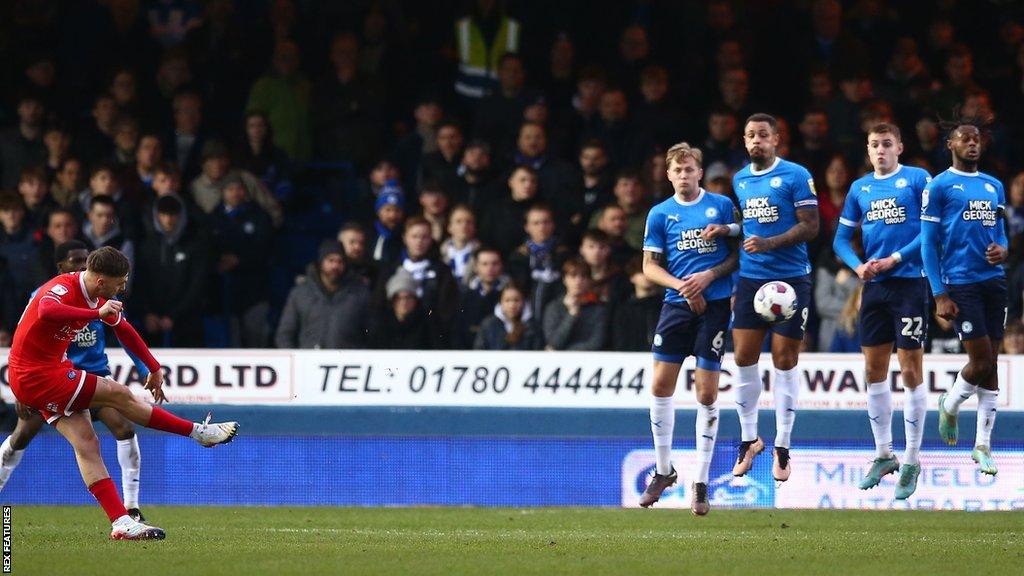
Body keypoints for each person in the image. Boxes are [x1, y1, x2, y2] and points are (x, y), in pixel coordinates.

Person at [6, 246, 237, 540]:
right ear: (101, 281)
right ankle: (198, 433)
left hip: (40, 372)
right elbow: (46, 310)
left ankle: (121, 521)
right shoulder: (62, 288)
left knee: (87, 442)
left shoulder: (99, 295)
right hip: (37, 375)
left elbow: (124, 329)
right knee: (120, 396)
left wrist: (153, 368)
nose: (124, 286)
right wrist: (95, 313)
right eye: (121, 281)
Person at [0, 242, 151, 520]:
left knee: (124, 427)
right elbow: (24, 339)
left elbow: (124, 331)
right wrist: (21, 391)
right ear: (61, 267)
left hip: (94, 376)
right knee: (21, 436)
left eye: (86, 260)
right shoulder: (47, 295)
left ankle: (132, 508)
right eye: (76, 261)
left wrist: (145, 369)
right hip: (51, 379)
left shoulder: (103, 294)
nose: (83, 267)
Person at [711, 113, 819, 482]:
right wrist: (727, 228)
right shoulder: (740, 179)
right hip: (751, 281)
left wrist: (769, 243)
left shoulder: (796, 175)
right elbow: (749, 225)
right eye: (749, 136)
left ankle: (783, 446)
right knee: (742, 357)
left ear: (776, 139)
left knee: (785, 359)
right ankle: (749, 439)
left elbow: (811, 225)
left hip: (791, 279)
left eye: (762, 135)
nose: (755, 141)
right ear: (744, 142)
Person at [637, 142, 739, 515]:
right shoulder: (660, 214)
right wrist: (683, 286)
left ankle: (700, 481)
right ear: (669, 175)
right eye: (677, 170)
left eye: (689, 169)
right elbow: (649, 266)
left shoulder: (721, 206)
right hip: (677, 306)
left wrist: (708, 277)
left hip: (712, 307)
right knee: (660, 386)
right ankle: (664, 471)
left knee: (706, 392)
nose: (684, 175)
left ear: (699, 172)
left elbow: (736, 255)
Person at [832, 123, 932, 498]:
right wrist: (857, 265)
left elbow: (930, 231)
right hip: (874, 287)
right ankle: (882, 453)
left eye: (887, 144)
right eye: (874, 145)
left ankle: (910, 459)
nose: (880, 150)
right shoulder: (860, 189)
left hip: (909, 283)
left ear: (900, 147)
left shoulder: (919, 179)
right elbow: (841, 238)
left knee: (909, 370)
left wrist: (895, 258)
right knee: (873, 372)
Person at [924, 119, 1009, 477]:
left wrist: (1002, 249)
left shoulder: (994, 186)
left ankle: (982, 446)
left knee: (992, 362)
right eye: (965, 139)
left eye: (976, 139)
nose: (972, 144)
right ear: (951, 145)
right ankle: (951, 401)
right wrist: (939, 293)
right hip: (960, 282)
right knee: (981, 359)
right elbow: (928, 243)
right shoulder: (940, 186)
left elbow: (1001, 233)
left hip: (994, 281)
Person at [275, 241, 370, 349]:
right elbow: (285, 334)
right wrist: (294, 359)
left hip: (347, 363)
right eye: (331, 260)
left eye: (340, 261)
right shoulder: (300, 294)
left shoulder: (359, 294)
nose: (335, 266)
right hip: (307, 362)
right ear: (321, 262)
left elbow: (371, 333)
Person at [542, 258, 606, 351]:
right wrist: (571, 315)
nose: (578, 281)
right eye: (573, 276)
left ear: (589, 280)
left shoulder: (599, 310)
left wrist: (563, 352)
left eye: (583, 277)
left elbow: (595, 344)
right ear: (564, 279)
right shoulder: (553, 307)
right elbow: (554, 342)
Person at [474, 283, 543, 350]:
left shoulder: (533, 326)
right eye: (507, 300)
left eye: (516, 300)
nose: (512, 305)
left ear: (524, 302)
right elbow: (479, 351)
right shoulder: (488, 325)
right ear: (501, 302)